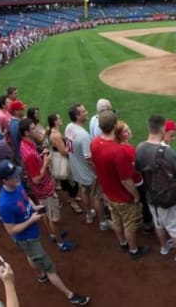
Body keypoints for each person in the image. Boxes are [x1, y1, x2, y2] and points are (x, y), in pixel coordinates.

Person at [0, 160, 90, 305]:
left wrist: (33, 207)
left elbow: (25, 198)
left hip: (32, 234)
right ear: (4, 180)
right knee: (50, 267)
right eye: (13, 176)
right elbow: (11, 230)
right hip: (26, 238)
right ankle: (70, 295)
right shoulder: (4, 204)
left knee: (31, 256)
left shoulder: (17, 184)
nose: (17, 178)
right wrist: (31, 220)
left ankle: (40, 275)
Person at [135, 114, 176, 263]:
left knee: (158, 223)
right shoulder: (166, 151)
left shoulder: (139, 147)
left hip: (151, 194)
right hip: (169, 196)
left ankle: (164, 247)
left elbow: (138, 169)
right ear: (163, 129)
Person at [90, 110, 149, 259]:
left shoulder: (95, 143)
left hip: (108, 192)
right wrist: (135, 195)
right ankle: (134, 250)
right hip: (122, 196)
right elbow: (125, 180)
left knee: (116, 219)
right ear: (115, 125)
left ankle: (123, 243)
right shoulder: (118, 151)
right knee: (129, 223)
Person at [19, 118, 76, 251]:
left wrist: (41, 156)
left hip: (40, 190)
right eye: (33, 129)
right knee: (54, 218)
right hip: (45, 189)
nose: (36, 130)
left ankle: (52, 233)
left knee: (45, 212)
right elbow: (36, 179)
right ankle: (61, 243)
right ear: (26, 133)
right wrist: (45, 162)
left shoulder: (26, 144)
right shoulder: (30, 154)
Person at [65, 103, 108, 230]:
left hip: (77, 169)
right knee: (97, 197)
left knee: (84, 190)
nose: (86, 112)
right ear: (78, 116)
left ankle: (89, 214)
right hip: (89, 173)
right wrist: (98, 171)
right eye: (83, 112)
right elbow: (89, 158)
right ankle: (103, 223)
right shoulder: (84, 136)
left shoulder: (69, 127)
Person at [47, 113, 82, 214]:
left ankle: (72, 198)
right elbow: (63, 151)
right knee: (73, 182)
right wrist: (73, 146)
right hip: (64, 161)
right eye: (59, 118)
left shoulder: (54, 132)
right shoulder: (56, 135)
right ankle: (73, 201)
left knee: (66, 182)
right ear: (55, 122)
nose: (61, 119)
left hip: (61, 160)